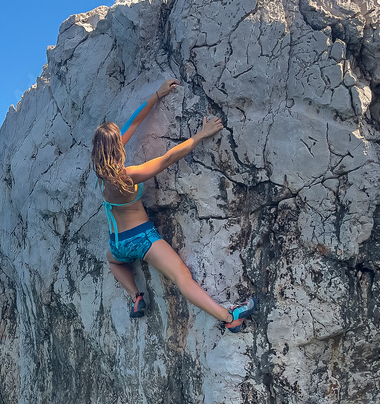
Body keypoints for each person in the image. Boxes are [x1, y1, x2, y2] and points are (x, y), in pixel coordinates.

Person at [91, 79, 256, 332]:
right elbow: (167, 158)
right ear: (116, 148)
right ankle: (228, 316)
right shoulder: (128, 175)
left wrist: (157, 95)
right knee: (181, 276)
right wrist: (201, 134)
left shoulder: (101, 176)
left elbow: (133, 123)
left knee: (112, 262)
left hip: (119, 244)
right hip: (143, 239)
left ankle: (136, 296)